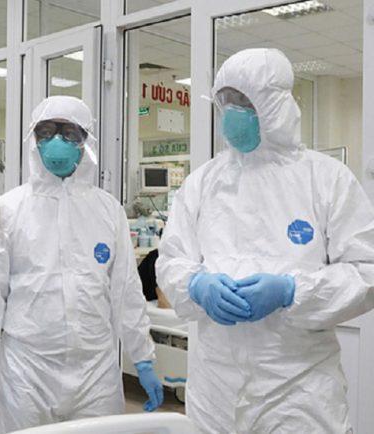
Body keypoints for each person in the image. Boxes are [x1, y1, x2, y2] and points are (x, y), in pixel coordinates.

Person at [156, 47, 374, 433]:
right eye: (224, 100)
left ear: (275, 104)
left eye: (243, 100)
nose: (232, 112)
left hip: (298, 389)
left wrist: (291, 291)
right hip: (215, 386)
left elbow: (365, 271)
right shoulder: (202, 183)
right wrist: (197, 284)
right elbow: (171, 260)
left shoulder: (326, 179)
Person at [0, 96, 164, 434]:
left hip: (96, 371)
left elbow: (125, 291)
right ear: (33, 140)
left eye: (68, 133)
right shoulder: (6, 211)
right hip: (27, 372)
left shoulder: (107, 211)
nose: (56, 141)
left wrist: (143, 357)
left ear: (86, 142)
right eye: (46, 132)